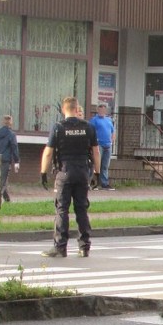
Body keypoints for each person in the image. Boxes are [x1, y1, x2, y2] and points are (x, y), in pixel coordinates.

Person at [40, 96, 101, 258]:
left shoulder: (58, 128)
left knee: (62, 209)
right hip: (82, 172)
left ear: (63, 110)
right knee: (81, 209)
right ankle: (84, 246)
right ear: (76, 109)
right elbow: (96, 151)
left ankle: (60, 247)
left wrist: (43, 173)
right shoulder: (88, 127)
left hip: (64, 172)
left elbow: (48, 153)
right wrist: (97, 173)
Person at [0, 114, 19, 202]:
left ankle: (7, 199)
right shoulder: (12, 134)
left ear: (3, 122)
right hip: (5, 160)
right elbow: (14, 147)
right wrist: (16, 161)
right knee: (3, 181)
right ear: (11, 123)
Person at [89, 103, 116, 190]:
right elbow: (90, 131)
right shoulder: (94, 120)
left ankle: (104, 183)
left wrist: (112, 140)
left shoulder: (109, 120)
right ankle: (93, 182)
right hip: (98, 145)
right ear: (98, 110)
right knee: (96, 164)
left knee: (105, 165)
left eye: (103, 109)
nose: (102, 111)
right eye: (100, 109)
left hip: (107, 145)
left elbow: (112, 131)